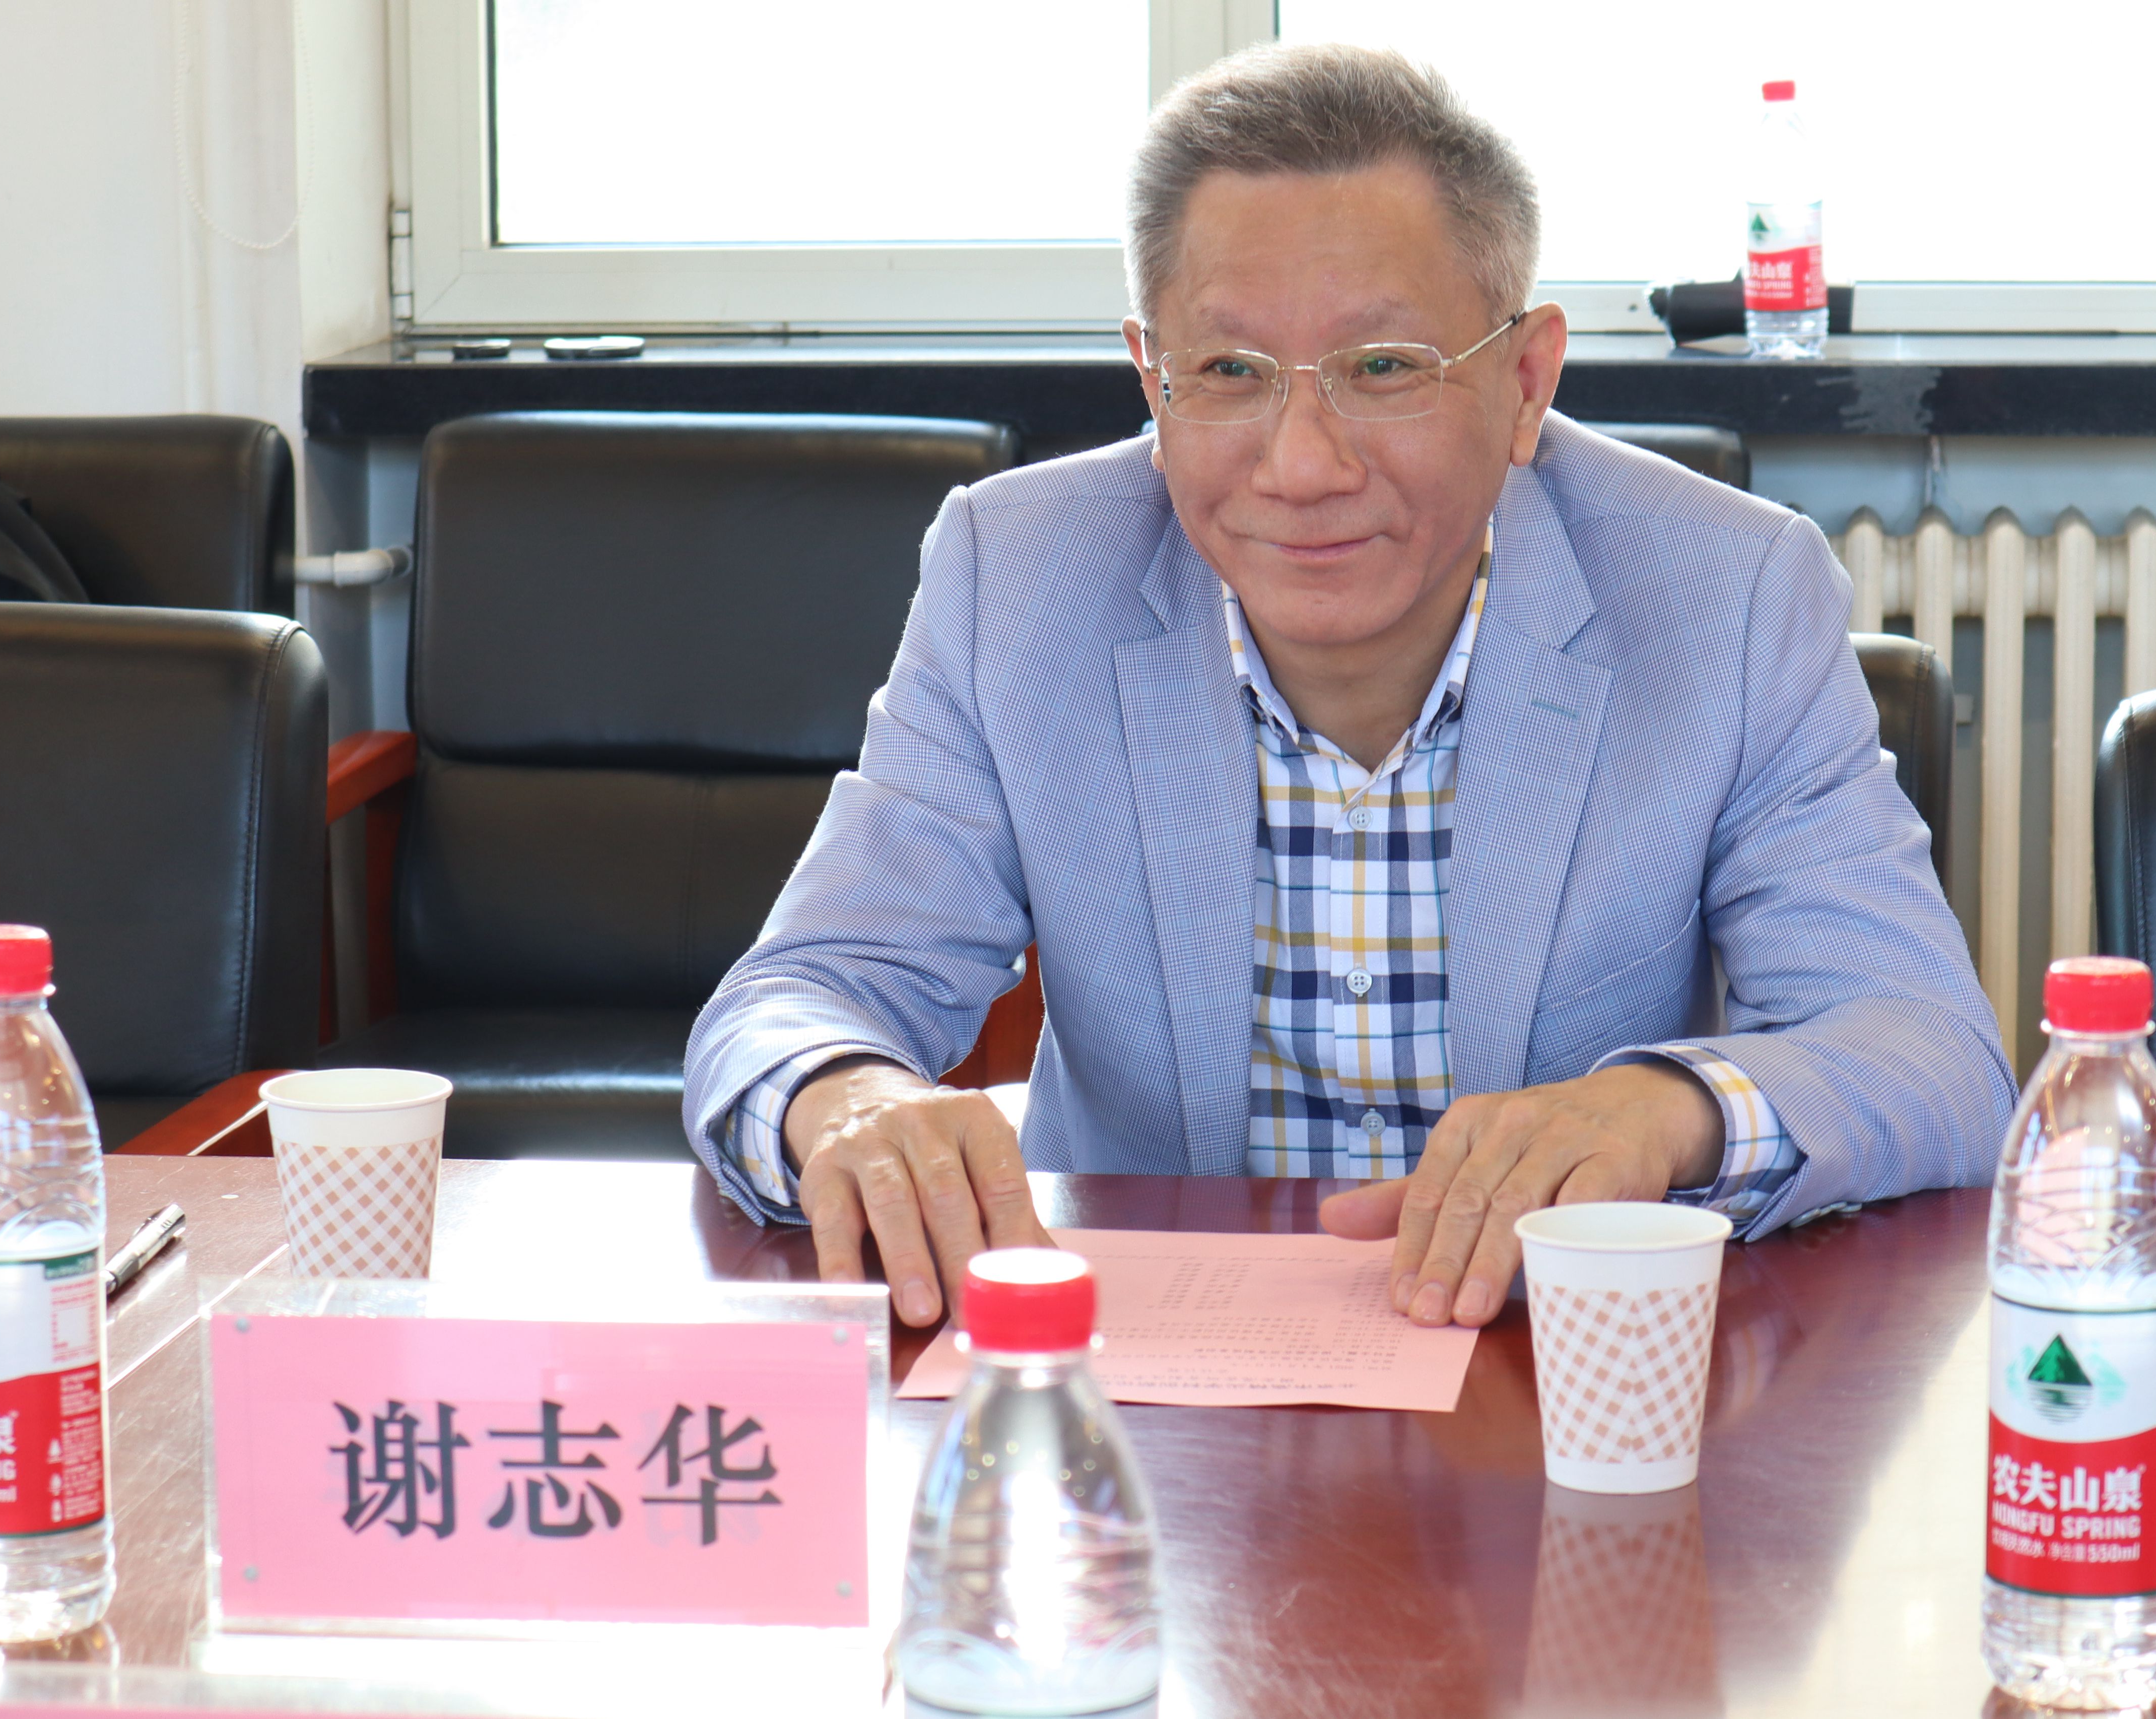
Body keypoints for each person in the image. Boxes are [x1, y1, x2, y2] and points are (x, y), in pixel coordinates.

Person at [684, 43, 2012, 1333]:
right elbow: (799, 993)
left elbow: (1931, 1053)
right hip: (1143, 1389)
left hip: (1548, 1370)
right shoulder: (1017, 578)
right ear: (1152, 379)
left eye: (1384, 369)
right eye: (1229, 373)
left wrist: (1668, 1110)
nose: (1303, 465)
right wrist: (845, 1094)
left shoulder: (1727, 592)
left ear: (1525, 382)